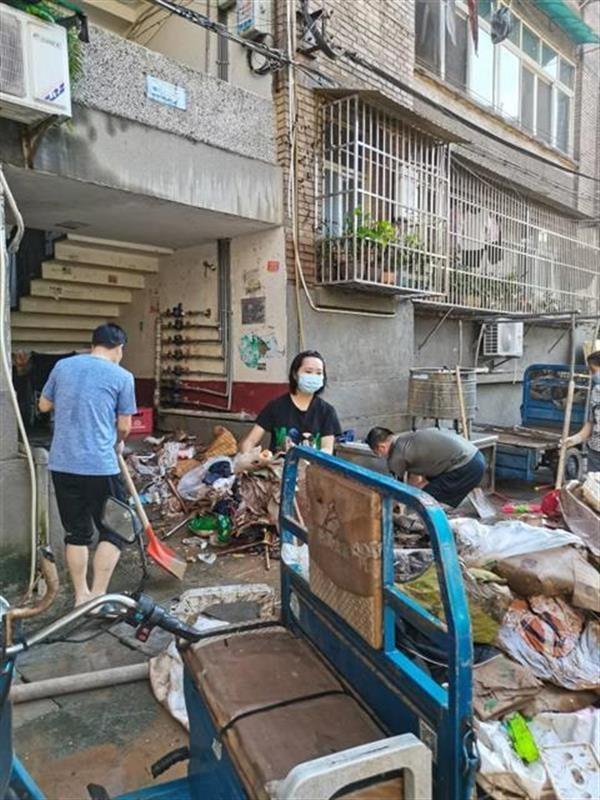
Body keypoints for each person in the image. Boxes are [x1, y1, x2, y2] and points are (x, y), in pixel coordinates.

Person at [39, 323, 137, 607]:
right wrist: (118, 441)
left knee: (77, 532)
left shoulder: (62, 366)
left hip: (62, 464)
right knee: (116, 528)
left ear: (93, 344)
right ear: (119, 348)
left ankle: (81, 597)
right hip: (100, 465)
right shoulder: (122, 376)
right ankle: (98, 596)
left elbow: (44, 406)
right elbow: (125, 426)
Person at [240, 350, 341, 455]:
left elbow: (327, 449)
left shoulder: (327, 411)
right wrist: (249, 458)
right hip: (278, 465)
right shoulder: (275, 407)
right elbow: (250, 441)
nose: (313, 376)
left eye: (319, 373)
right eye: (308, 372)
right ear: (294, 374)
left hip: (313, 465)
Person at [366, 426, 485, 508]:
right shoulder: (407, 440)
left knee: (426, 500)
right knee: (425, 493)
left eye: (377, 453)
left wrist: (386, 509)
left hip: (466, 465)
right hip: (476, 456)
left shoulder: (396, 456)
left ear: (381, 447)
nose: (380, 456)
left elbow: (398, 490)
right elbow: (416, 479)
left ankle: (441, 530)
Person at [563, 350, 600, 473]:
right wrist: (575, 439)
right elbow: (591, 422)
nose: (592, 375)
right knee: (593, 483)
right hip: (595, 452)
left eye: (593, 371)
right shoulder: (596, 392)